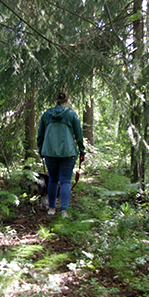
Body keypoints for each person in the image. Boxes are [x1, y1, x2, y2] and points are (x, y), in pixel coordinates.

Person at [37, 89, 85, 218]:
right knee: (65, 181)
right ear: (66, 100)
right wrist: (82, 151)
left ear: (56, 99)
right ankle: (64, 211)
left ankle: (51, 209)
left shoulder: (47, 114)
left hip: (50, 152)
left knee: (52, 180)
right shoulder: (72, 115)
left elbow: (40, 134)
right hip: (69, 153)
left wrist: (40, 149)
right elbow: (79, 135)